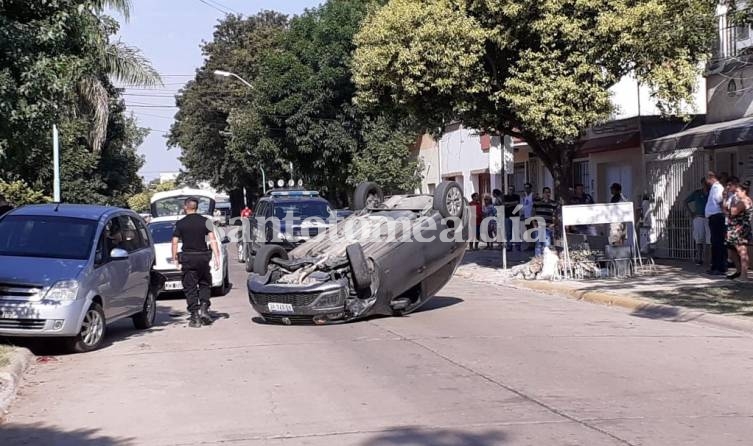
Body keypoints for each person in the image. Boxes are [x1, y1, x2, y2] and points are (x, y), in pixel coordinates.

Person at [172, 197, 221, 327]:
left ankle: (195, 316)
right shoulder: (206, 221)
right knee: (205, 283)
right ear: (197, 207)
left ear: (185, 207)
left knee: (190, 287)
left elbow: (175, 242)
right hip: (203, 257)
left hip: (188, 258)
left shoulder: (180, 223)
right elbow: (213, 239)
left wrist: (174, 259)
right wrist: (217, 257)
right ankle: (204, 308)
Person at [724, 179, 753, 280]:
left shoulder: (744, 201)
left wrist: (728, 201)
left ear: (743, 191)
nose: (736, 193)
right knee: (732, 250)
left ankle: (744, 275)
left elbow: (732, 212)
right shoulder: (743, 201)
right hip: (735, 228)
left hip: (740, 229)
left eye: (737, 191)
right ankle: (739, 271)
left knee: (742, 251)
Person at [705, 171, 727, 276]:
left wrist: (725, 215)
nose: (707, 180)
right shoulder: (714, 188)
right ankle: (715, 266)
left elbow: (720, 201)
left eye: (708, 177)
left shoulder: (717, 188)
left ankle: (720, 267)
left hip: (717, 217)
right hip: (713, 217)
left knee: (718, 243)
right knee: (714, 242)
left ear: (712, 177)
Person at [685, 178, 710, 266]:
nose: (706, 185)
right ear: (702, 184)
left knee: (709, 239)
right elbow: (686, 201)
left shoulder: (711, 193)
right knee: (699, 239)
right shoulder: (697, 193)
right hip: (698, 217)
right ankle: (699, 258)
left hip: (708, 218)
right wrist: (691, 213)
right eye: (704, 183)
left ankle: (707, 259)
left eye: (707, 184)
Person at [533, 187, 557, 255]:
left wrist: (553, 224)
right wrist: (534, 224)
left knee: (547, 245)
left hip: (548, 227)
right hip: (538, 226)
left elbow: (556, 215)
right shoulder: (537, 203)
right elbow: (533, 214)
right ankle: (538, 260)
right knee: (538, 245)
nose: (547, 194)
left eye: (549, 192)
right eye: (546, 192)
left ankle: (546, 259)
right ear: (543, 193)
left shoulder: (553, 203)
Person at [503, 186, 521, 251]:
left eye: (512, 189)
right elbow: (504, 204)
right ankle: (509, 245)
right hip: (507, 216)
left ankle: (518, 245)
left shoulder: (517, 196)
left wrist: (509, 204)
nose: (511, 190)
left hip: (515, 216)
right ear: (508, 190)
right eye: (510, 189)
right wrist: (513, 203)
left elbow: (517, 203)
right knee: (508, 232)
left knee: (516, 231)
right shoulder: (505, 197)